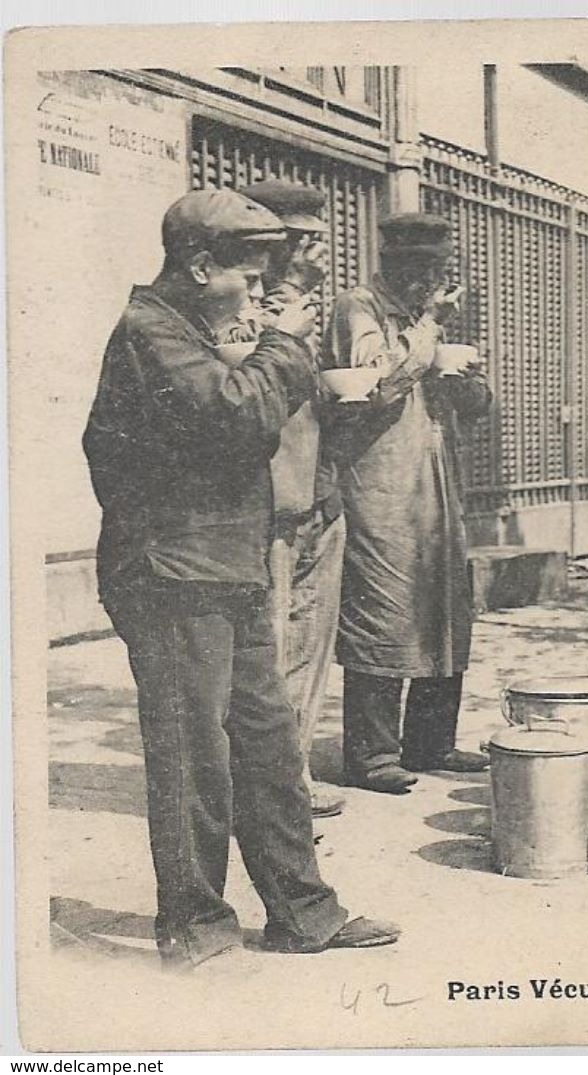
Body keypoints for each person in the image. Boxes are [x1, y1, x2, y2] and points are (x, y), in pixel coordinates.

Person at [83, 189, 399, 969]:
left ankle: (303, 912)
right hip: (171, 573)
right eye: (248, 279)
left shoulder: (188, 323)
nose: (258, 296)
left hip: (224, 564)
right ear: (198, 268)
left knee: (267, 747)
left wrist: (271, 321)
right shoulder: (149, 333)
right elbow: (235, 414)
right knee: (195, 758)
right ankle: (196, 928)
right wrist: (285, 343)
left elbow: (240, 390)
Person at [325, 213, 493, 795]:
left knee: (445, 605)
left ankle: (431, 742)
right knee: (385, 607)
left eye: (440, 267)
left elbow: (476, 404)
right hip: (381, 485)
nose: (433, 278)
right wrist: (428, 327)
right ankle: (371, 756)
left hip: (438, 484)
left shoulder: (433, 318)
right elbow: (379, 382)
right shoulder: (359, 307)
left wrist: (467, 382)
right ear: (395, 262)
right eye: (422, 267)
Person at [224, 179, 347, 819]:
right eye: (296, 242)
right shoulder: (234, 308)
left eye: (312, 242)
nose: (308, 254)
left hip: (314, 492)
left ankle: (289, 782)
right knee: (267, 657)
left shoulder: (299, 307)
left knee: (305, 650)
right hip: (266, 505)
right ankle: (264, 790)